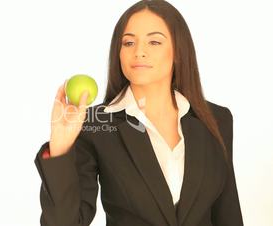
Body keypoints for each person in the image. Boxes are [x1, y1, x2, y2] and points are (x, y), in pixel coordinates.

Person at [34, 0, 243, 225]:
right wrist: (61, 147)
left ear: (178, 52)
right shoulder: (96, 125)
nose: (139, 52)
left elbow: (227, 213)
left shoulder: (217, 119)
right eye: (128, 42)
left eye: (154, 41)